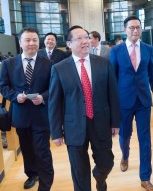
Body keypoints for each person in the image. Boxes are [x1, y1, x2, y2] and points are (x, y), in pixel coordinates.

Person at [49, 25, 121, 191]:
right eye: (79, 38)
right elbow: (54, 103)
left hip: (101, 122)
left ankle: (99, 177)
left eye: (87, 37)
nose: (85, 41)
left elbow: (113, 95)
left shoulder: (103, 64)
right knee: (80, 173)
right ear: (69, 43)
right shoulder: (59, 68)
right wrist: (56, 132)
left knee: (106, 163)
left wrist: (115, 122)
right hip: (74, 126)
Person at [0, 28, 54, 190]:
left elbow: (54, 88)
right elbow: (3, 86)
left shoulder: (49, 65)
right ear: (20, 43)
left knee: (42, 151)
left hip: (42, 115)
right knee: (27, 149)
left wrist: (43, 97)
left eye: (34, 40)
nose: (31, 43)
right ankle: (32, 174)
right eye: (27, 40)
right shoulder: (8, 64)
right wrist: (15, 96)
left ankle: (45, 184)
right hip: (20, 115)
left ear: (39, 42)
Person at [110, 15, 153, 191]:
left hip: (143, 100)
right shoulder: (116, 51)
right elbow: (112, 78)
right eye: (131, 28)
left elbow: (152, 72)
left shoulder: (147, 48)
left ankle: (145, 177)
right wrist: (112, 101)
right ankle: (125, 155)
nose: (135, 30)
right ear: (125, 30)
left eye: (138, 27)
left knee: (145, 139)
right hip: (123, 100)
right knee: (125, 135)